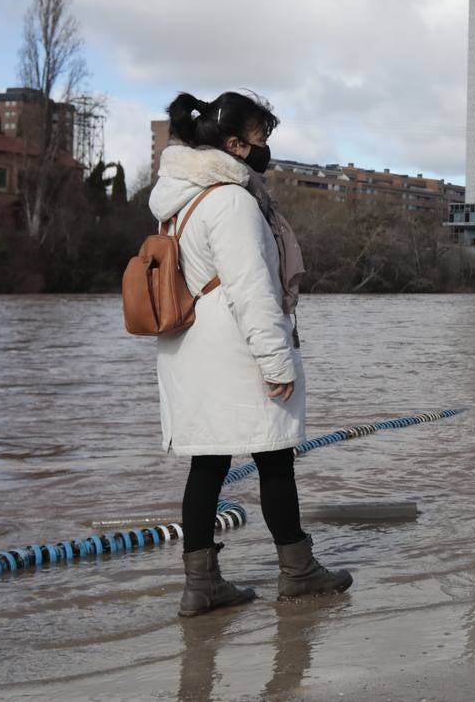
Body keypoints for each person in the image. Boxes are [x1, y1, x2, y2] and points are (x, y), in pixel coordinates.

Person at [150, 90, 351, 617]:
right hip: (235, 350)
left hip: (192, 348)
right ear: (235, 144)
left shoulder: (179, 201)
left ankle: (201, 586)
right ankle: (299, 571)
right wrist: (277, 362)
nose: (266, 149)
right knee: (275, 459)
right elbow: (252, 290)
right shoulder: (232, 200)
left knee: (208, 465)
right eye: (261, 138)